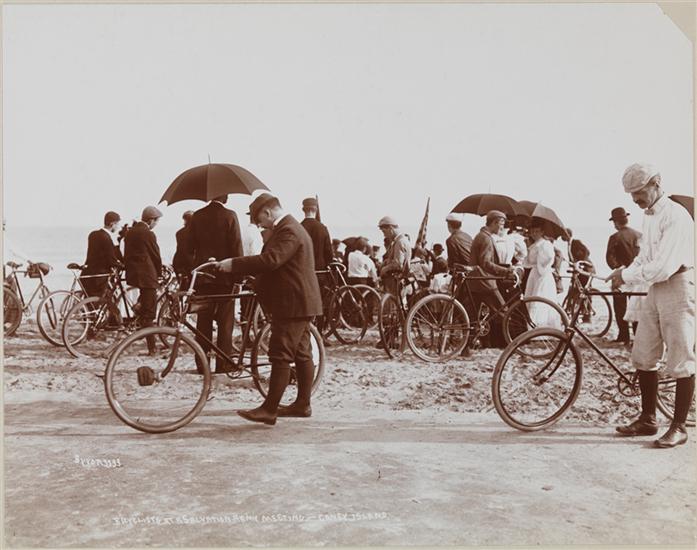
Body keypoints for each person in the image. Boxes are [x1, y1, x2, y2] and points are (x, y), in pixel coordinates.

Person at [213, 193, 322, 426]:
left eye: (259, 219)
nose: (259, 224)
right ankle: (302, 405)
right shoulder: (289, 228)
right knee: (302, 354)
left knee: (280, 354)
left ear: (268, 212)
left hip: (292, 303)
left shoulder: (288, 230)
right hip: (299, 301)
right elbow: (280, 266)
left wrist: (233, 264)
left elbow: (271, 260)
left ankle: (269, 409)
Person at [608, 163, 694, 448]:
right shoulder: (649, 217)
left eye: (639, 192)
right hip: (656, 287)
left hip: (679, 284)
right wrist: (622, 272)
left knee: (681, 356)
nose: (635, 199)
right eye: (631, 194)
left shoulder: (676, 216)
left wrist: (626, 276)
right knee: (643, 353)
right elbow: (644, 258)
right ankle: (648, 419)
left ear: (656, 183)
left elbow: (664, 266)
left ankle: (679, 426)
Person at [187, 194, 243, 374]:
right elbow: (237, 248)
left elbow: (188, 248)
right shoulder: (230, 216)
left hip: (203, 277)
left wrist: (191, 272)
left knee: (203, 323)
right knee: (225, 324)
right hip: (225, 278)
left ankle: (202, 364)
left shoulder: (197, 216)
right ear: (225, 198)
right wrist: (238, 278)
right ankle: (222, 364)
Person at [468, 210, 520, 347]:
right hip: (485, 281)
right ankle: (509, 344)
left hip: (475, 280)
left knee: (473, 316)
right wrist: (506, 271)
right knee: (503, 311)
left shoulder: (480, 235)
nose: (502, 228)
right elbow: (486, 263)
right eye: (501, 224)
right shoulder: (486, 238)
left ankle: (468, 346)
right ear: (494, 223)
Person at [123, 206, 163, 354]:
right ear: (151, 220)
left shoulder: (130, 232)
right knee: (149, 314)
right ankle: (152, 348)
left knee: (145, 304)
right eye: (156, 221)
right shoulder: (148, 234)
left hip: (135, 275)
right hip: (147, 276)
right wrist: (159, 274)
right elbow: (155, 255)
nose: (156, 224)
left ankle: (138, 308)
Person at [605, 206, 641, 344]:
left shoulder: (615, 237)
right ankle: (637, 335)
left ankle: (624, 336)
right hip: (637, 276)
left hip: (621, 276)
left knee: (620, 308)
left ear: (615, 222)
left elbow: (609, 258)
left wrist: (617, 268)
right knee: (636, 306)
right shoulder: (639, 235)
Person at [524, 222, 561, 328]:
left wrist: (540, 258)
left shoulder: (545, 244)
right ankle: (532, 325)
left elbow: (548, 259)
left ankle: (542, 326)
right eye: (532, 232)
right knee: (531, 297)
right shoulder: (534, 245)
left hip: (542, 275)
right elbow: (528, 262)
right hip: (534, 274)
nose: (534, 234)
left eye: (537, 231)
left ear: (542, 232)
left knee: (541, 298)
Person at [81, 211, 124, 297]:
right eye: (117, 224)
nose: (118, 227)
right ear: (112, 224)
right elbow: (111, 259)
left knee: (90, 301)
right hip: (100, 278)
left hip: (88, 273)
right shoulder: (106, 238)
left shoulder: (93, 234)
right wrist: (123, 265)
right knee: (103, 300)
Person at [377, 216, 411, 297]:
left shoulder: (399, 242)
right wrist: (386, 262)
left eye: (384, 232)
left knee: (391, 303)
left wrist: (384, 269)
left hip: (396, 281)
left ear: (390, 228)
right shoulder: (399, 241)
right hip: (396, 280)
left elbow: (398, 264)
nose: (384, 235)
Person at [300, 197, 333, 272]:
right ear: (316, 210)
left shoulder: (298, 227)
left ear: (303, 210)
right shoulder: (322, 228)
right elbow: (328, 252)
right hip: (320, 271)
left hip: (303, 271)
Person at [172, 210, 195, 287]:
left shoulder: (179, 233)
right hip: (191, 264)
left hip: (179, 263)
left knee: (183, 287)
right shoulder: (197, 232)